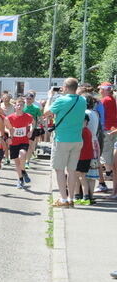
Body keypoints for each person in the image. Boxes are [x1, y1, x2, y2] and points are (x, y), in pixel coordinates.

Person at [44, 78, 87, 207]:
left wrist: (49, 97)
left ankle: (63, 199)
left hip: (62, 139)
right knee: (72, 171)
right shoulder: (82, 100)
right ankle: (71, 198)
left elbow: (46, 113)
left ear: (65, 87)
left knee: (59, 170)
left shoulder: (61, 100)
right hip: (77, 139)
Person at [6, 96, 35, 188]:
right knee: (17, 162)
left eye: (21, 105)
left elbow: (33, 124)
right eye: (18, 105)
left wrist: (31, 131)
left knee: (22, 155)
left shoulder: (28, 116)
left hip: (23, 140)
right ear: (15, 106)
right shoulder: (9, 117)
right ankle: (21, 178)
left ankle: (23, 172)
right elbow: (6, 128)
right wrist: (10, 132)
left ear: (24, 106)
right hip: (14, 142)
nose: (19, 107)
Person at [96, 82, 117, 193]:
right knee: (111, 153)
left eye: (100, 89)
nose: (99, 91)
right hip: (113, 129)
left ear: (105, 89)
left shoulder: (105, 100)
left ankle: (109, 173)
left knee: (105, 153)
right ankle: (110, 172)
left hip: (107, 130)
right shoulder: (112, 99)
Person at [73, 116, 95, 206]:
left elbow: (80, 145)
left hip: (82, 157)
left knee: (81, 177)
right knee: (76, 177)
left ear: (86, 121)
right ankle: (77, 196)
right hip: (83, 157)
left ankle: (86, 197)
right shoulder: (86, 131)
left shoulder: (83, 131)